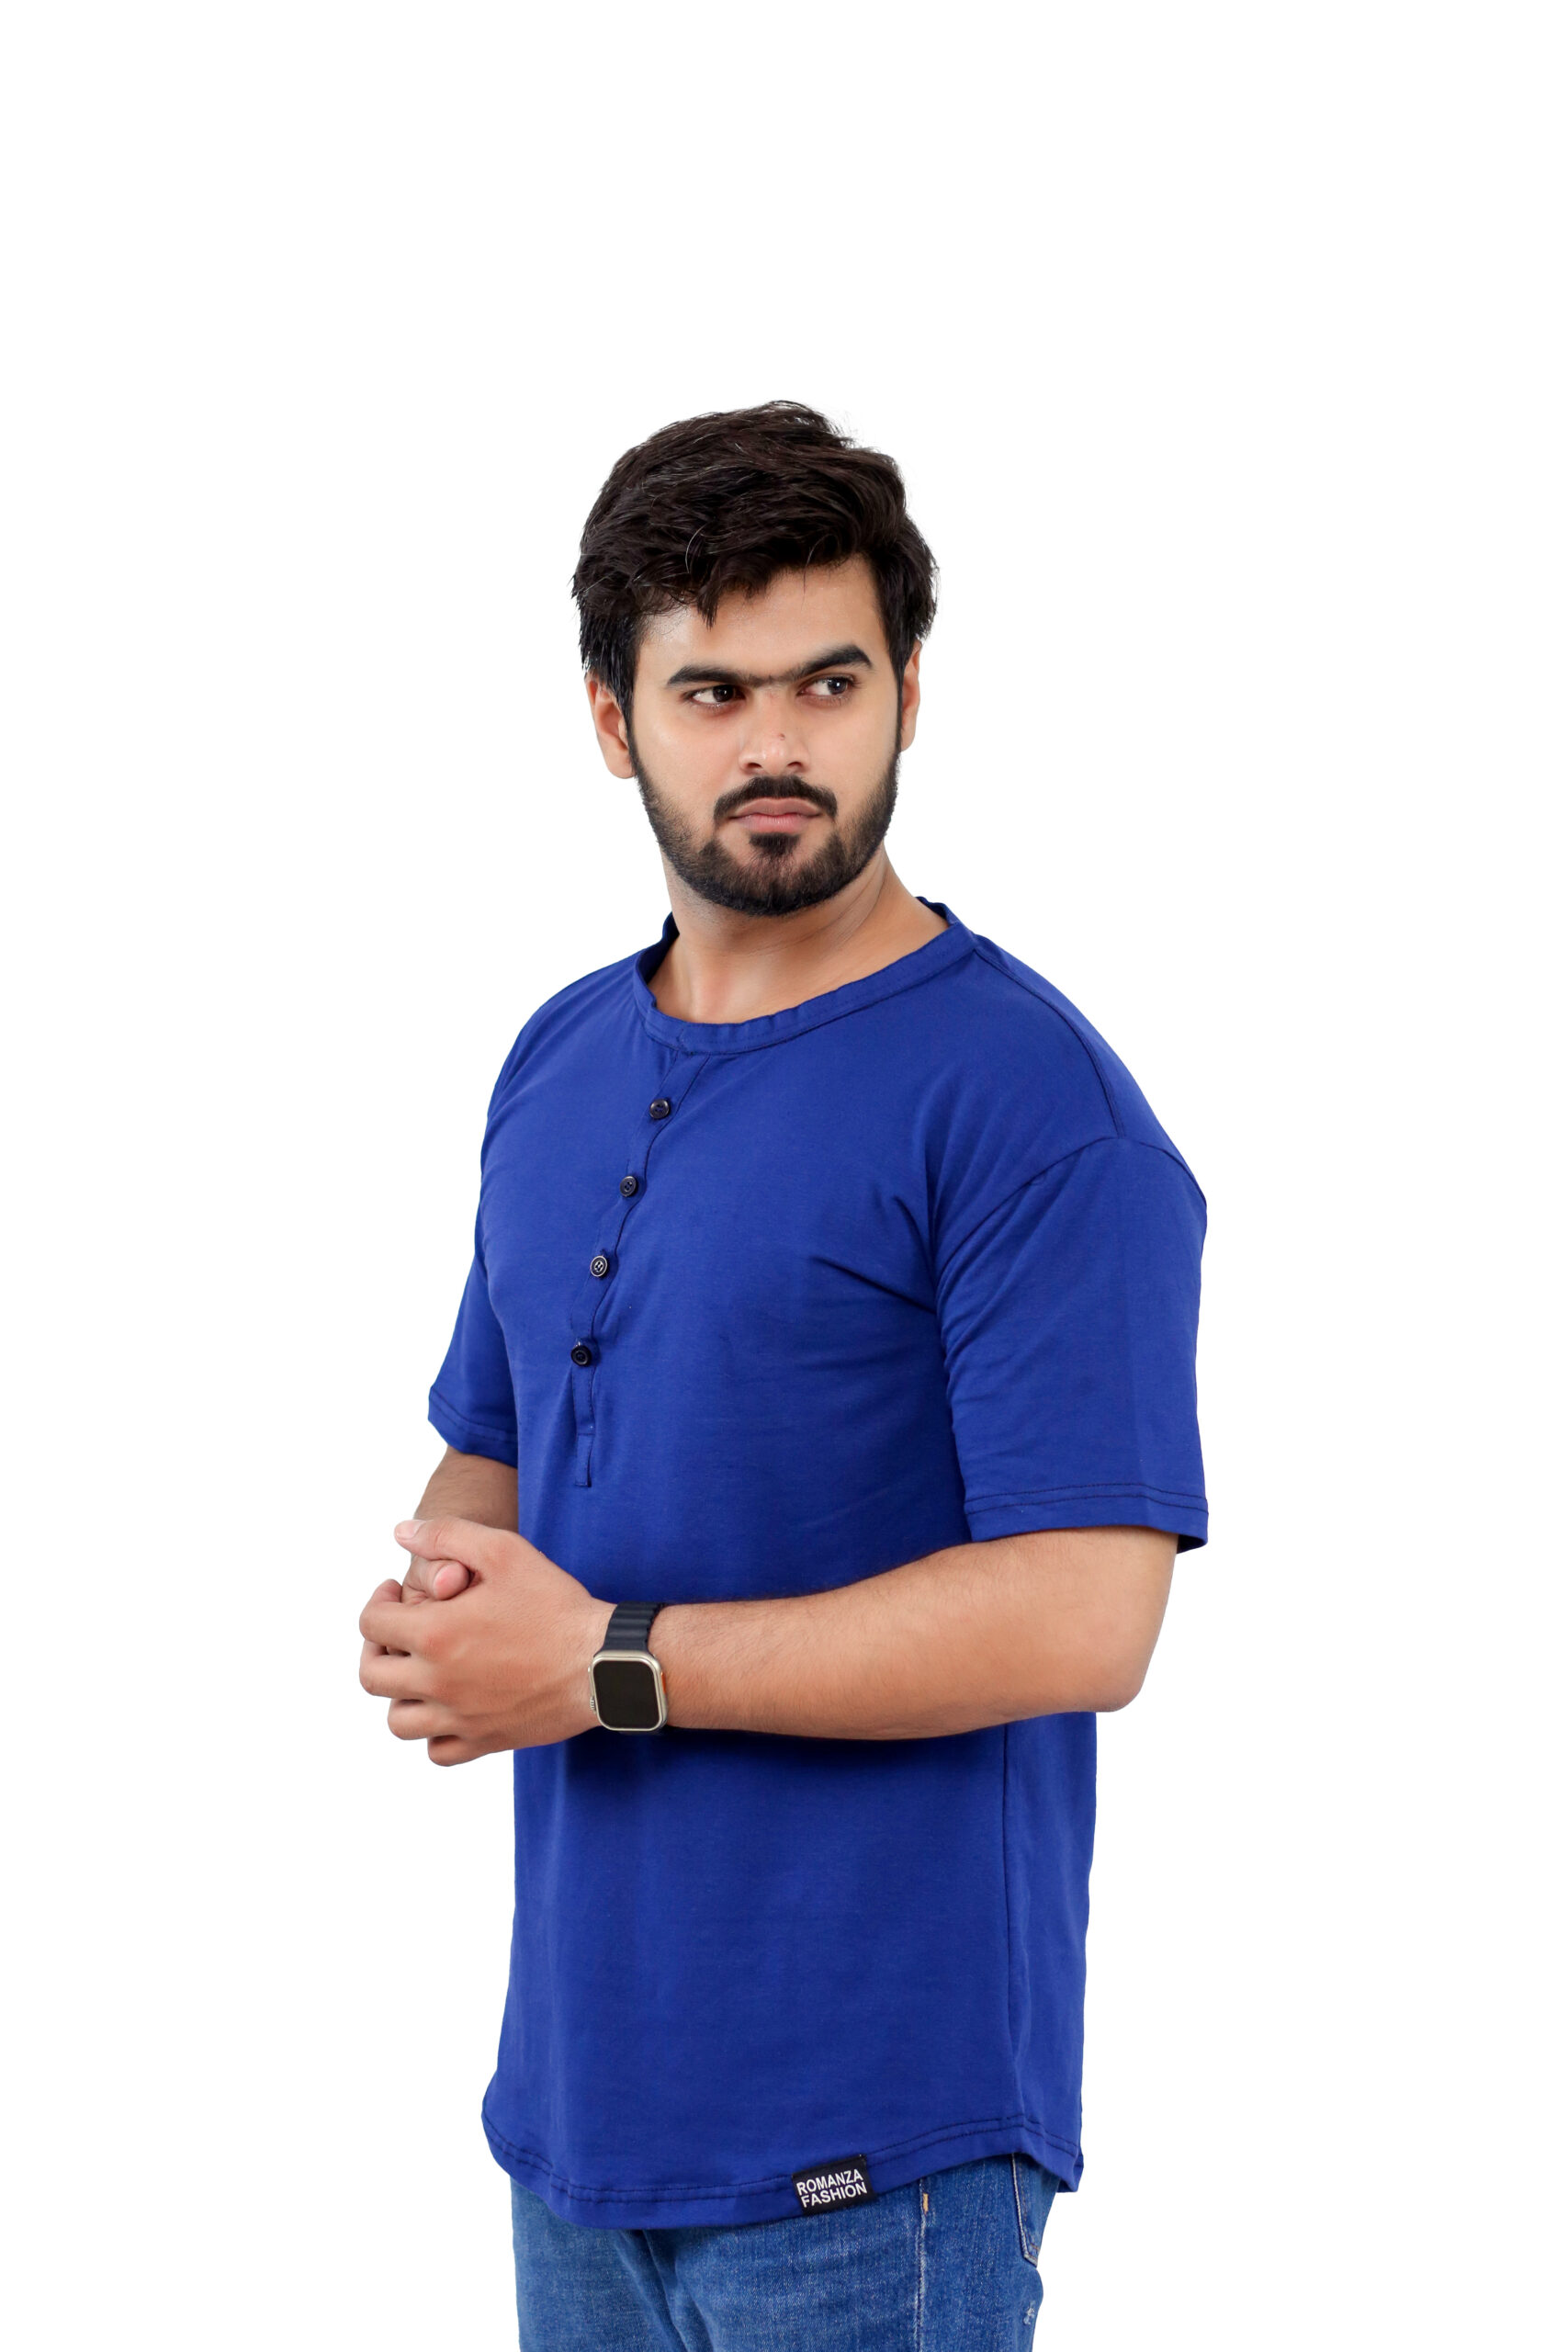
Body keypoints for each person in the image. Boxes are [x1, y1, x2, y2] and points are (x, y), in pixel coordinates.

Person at [358, 401, 1207, 2352]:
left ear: (907, 694)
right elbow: (496, 1445)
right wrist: (442, 1603)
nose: (776, 744)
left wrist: (603, 1663)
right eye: (712, 690)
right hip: (577, 2118)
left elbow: (1091, 1614)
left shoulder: (1028, 1104)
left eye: (829, 683)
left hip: (878, 2139)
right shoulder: (558, 1057)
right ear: (611, 716)